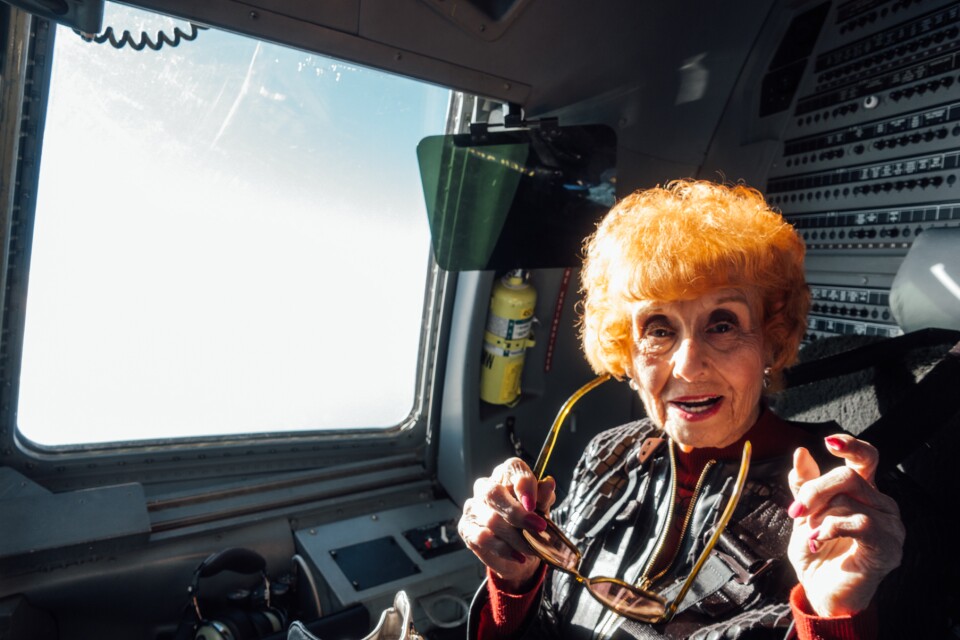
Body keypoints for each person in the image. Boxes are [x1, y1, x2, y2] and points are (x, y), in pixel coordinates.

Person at [458, 179, 906, 639]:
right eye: (658, 330)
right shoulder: (608, 453)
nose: (689, 367)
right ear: (626, 352)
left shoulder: (845, 506)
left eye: (722, 325)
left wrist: (834, 615)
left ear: (770, 340)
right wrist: (517, 580)